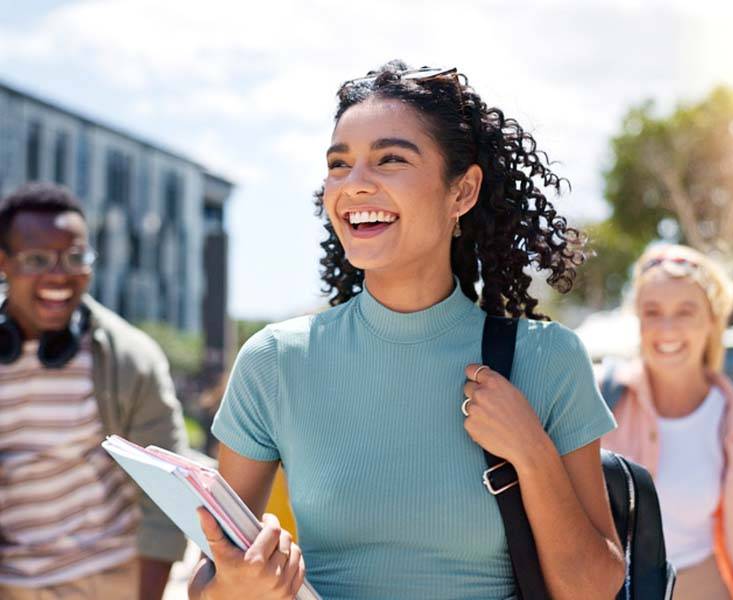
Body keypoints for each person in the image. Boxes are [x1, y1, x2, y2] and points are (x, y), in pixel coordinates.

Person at [188, 60, 625, 600]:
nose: (355, 185)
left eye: (390, 159)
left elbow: (595, 588)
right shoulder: (275, 360)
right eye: (339, 164)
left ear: (462, 192)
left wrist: (531, 453)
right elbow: (207, 581)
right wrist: (238, 586)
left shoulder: (548, 358)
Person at [0, 182, 189, 599]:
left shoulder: (131, 358)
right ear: (4, 263)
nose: (59, 275)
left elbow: (167, 497)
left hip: (109, 579)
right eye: (37, 259)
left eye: (75, 257)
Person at [600, 243, 733, 600]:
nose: (667, 327)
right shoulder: (598, 401)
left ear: (712, 321)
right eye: (652, 311)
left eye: (685, 311)